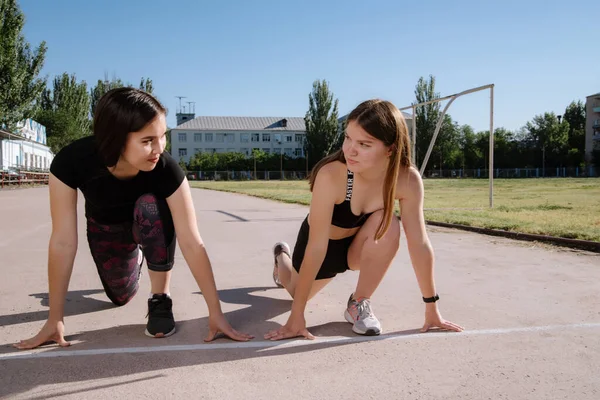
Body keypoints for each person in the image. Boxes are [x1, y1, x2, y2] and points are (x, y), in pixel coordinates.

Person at [14, 87, 253, 350]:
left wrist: (216, 313)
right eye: (147, 140)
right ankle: (135, 257)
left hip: (150, 223)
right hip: (106, 229)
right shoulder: (71, 162)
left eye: (163, 137)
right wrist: (55, 319)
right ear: (116, 139)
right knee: (121, 296)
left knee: (152, 207)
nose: (159, 148)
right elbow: (62, 242)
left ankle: (160, 297)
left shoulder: (166, 169)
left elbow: (192, 241)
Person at [266, 99, 463, 340]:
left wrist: (432, 307)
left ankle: (358, 303)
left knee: (389, 222)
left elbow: (419, 243)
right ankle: (281, 257)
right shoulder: (332, 175)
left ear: (390, 148)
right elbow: (316, 247)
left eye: (364, 144)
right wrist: (297, 315)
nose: (350, 150)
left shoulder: (406, 180)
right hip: (323, 247)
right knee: (296, 293)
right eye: (348, 138)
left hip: (359, 246)